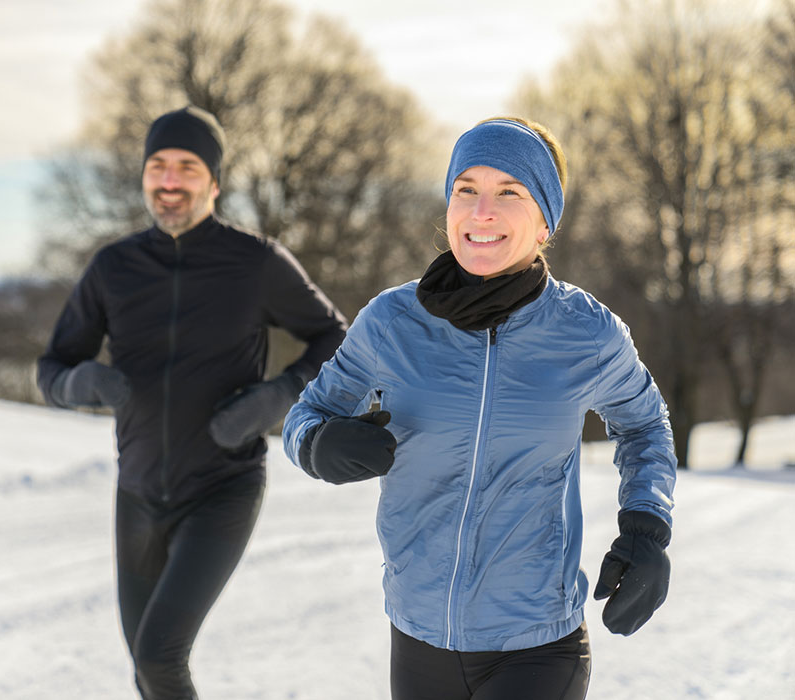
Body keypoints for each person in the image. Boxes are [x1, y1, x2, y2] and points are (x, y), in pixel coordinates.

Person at [282, 117, 677, 700]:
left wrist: (646, 526)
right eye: (466, 189)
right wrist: (318, 445)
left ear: (545, 223)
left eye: (509, 192)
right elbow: (306, 415)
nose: (482, 211)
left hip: (538, 643)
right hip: (417, 634)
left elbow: (644, 425)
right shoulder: (391, 321)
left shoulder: (586, 333)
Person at [37, 105, 347, 700]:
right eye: (158, 165)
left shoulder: (256, 262)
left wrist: (277, 397)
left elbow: (336, 338)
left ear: (215, 182)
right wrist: (81, 384)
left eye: (187, 167)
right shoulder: (113, 267)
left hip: (222, 490)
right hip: (137, 493)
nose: (170, 180)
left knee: (160, 658)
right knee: (146, 668)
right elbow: (50, 370)